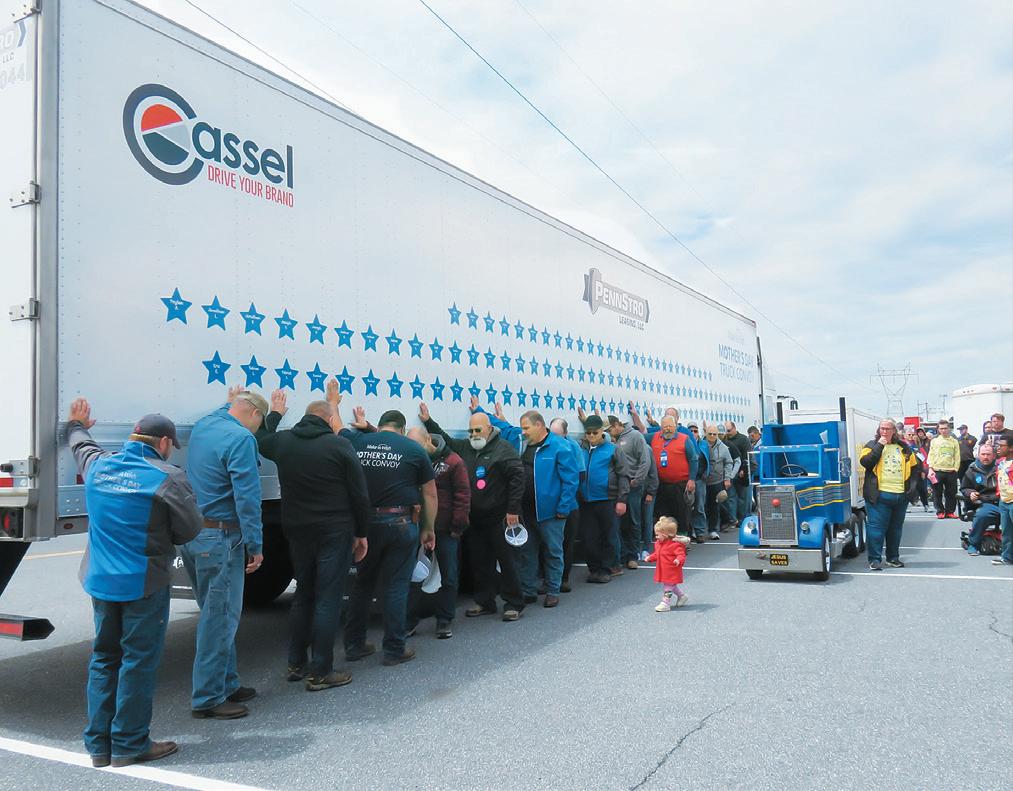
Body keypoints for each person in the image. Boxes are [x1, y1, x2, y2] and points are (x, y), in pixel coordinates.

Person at [67, 399, 202, 767]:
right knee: (137, 661)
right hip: (143, 582)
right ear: (164, 443)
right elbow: (189, 530)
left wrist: (76, 424)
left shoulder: (99, 465)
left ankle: (98, 746)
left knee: (104, 658)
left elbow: (81, 445)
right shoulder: (167, 477)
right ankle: (129, 743)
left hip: (100, 581)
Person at [256, 382, 371, 690]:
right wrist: (362, 533)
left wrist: (274, 413)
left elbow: (260, 438)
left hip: (296, 529)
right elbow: (359, 495)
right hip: (334, 530)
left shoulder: (284, 442)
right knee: (328, 597)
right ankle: (321, 671)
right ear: (329, 420)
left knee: (304, 592)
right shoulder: (339, 446)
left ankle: (296, 663)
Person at [183, 386, 281, 719]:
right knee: (220, 618)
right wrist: (256, 545)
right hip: (222, 537)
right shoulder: (241, 439)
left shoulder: (204, 425)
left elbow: (223, 410)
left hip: (194, 533)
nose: (257, 429)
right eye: (259, 421)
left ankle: (227, 682)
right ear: (254, 413)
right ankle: (208, 697)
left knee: (216, 613)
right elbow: (247, 497)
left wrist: (228, 400)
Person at [336, 404, 437, 666]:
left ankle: (355, 645)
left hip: (365, 525)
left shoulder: (358, 441)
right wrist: (428, 528)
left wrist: (334, 401)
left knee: (363, 584)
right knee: (396, 586)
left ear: (380, 426)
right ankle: (394, 649)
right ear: (402, 430)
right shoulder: (414, 449)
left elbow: (336, 426)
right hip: (400, 523)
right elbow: (429, 493)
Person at [419, 402, 526, 621]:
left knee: (507, 562)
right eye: (471, 431)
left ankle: (514, 603)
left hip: (500, 518)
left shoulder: (503, 449)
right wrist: (428, 422)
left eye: (478, 430)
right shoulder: (467, 447)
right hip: (475, 519)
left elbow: (518, 478)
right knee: (480, 562)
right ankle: (485, 601)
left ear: (489, 429)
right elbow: (446, 441)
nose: (474, 434)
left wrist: (513, 509)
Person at [481, 404, 579, 607]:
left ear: (539, 425)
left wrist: (563, 508)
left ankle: (553, 590)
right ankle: (528, 590)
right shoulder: (522, 444)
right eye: (522, 428)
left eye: (526, 428)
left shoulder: (560, 447)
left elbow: (570, 481)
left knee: (553, 551)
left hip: (551, 513)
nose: (523, 432)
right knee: (527, 552)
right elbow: (505, 428)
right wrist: (479, 411)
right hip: (526, 511)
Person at [404, 424, 471, 639]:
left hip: (445, 529)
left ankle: (444, 619)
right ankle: (409, 621)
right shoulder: (413, 460)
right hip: (418, 527)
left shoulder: (453, 462)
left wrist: (457, 526)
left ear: (428, 440)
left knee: (448, 576)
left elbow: (462, 495)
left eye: (416, 445)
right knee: (414, 576)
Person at [860, 420, 922, 570]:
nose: (884, 432)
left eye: (888, 429)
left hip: (900, 495)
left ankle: (893, 558)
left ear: (894, 430)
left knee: (895, 529)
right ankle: (874, 559)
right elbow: (866, 462)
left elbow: (915, 468)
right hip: (879, 495)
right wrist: (880, 445)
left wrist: (911, 489)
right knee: (876, 529)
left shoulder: (904, 447)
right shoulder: (871, 445)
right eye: (882, 428)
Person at [577, 415, 630, 583]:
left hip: (608, 499)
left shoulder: (613, 449)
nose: (591, 436)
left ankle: (607, 568)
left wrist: (622, 500)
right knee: (589, 537)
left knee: (609, 536)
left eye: (595, 432)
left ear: (602, 432)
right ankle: (594, 569)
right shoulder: (581, 449)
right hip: (586, 501)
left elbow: (623, 475)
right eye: (588, 433)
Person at [604, 415, 652, 568]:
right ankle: (621, 554)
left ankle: (633, 555)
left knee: (633, 520)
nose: (608, 433)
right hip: (616, 486)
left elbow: (645, 461)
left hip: (632, 485)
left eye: (609, 429)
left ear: (617, 425)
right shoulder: (612, 440)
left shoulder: (635, 436)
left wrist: (637, 480)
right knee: (617, 522)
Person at [648, 415, 698, 552]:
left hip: (680, 484)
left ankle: (681, 544)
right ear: (661, 427)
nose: (667, 429)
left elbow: (693, 460)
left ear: (676, 426)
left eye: (670, 426)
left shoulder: (684, 439)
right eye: (665, 426)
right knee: (664, 516)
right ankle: (667, 544)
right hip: (662, 485)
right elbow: (639, 436)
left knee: (682, 515)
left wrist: (692, 479)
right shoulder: (654, 438)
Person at [548, 416, 585, 593]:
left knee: (566, 543)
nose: (554, 438)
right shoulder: (545, 445)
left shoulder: (572, 447)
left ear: (566, 433)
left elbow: (579, 476)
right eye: (552, 434)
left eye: (558, 435)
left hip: (569, 505)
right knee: (549, 545)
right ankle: (549, 579)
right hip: (549, 505)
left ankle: (564, 578)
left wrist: (566, 499)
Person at [960, 444, 999, 556]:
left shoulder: (1001, 467)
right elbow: (964, 488)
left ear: (994, 456)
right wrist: (971, 493)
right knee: (983, 515)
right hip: (984, 502)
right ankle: (973, 544)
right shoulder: (972, 469)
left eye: (988, 454)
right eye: (983, 454)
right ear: (978, 455)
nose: (985, 457)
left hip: (1003, 501)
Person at [645, 517, 691, 611]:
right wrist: (650, 558)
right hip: (663, 570)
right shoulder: (658, 544)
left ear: (665, 535)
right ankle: (682, 596)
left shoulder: (675, 545)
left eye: (658, 535)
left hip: (672, 570)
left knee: (668, 587)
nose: (656, 537)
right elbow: (657, 554)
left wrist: (678, 560)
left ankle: (665, 603)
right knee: (671, 586)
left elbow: (681, 555)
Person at [701, 425, 734, 540]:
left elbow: (729, 463)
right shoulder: (700, 445)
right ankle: (699, 531)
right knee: (700, 506)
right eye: (709, 434)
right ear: (706, 434)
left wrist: (727, 478)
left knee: (714, 506)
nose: (712, 436)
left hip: (717, 481)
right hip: (702, 480)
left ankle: (713, 530)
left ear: (717, 435)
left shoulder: (723, 447)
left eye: (714, 434)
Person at [927, 420, 961, 519]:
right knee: (937, 493)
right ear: (938, 429)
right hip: (937, 470)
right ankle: (940, 511)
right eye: (941, 428)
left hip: (951, 471)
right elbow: (931, 455)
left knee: (951, 493)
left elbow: (957, 456)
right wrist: (930, 468)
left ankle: (950, 511)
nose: (943, 430)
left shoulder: (954, 441)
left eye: (945, 428)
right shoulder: (934, 441)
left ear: (949, 429)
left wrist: (956, 469)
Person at [723, 421, 752, 525]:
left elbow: (747, 455)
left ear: (734, 428)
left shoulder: (743, 439)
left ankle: (743, 520)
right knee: (731, 497)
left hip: (741, 472)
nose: (727, 433)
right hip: (729, 473)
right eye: (726, 431)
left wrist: (743, 469)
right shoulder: (725, 441)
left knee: (743, 498)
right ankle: (733, 519)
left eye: (729, 430)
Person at [994, 437, 1013, 566]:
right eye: (998, 445)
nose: (998, 448)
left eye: (1001, 446)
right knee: (1006, 531)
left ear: (1011, 448)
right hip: (1004, 501)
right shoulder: (1000, 462)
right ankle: (1007, 557)